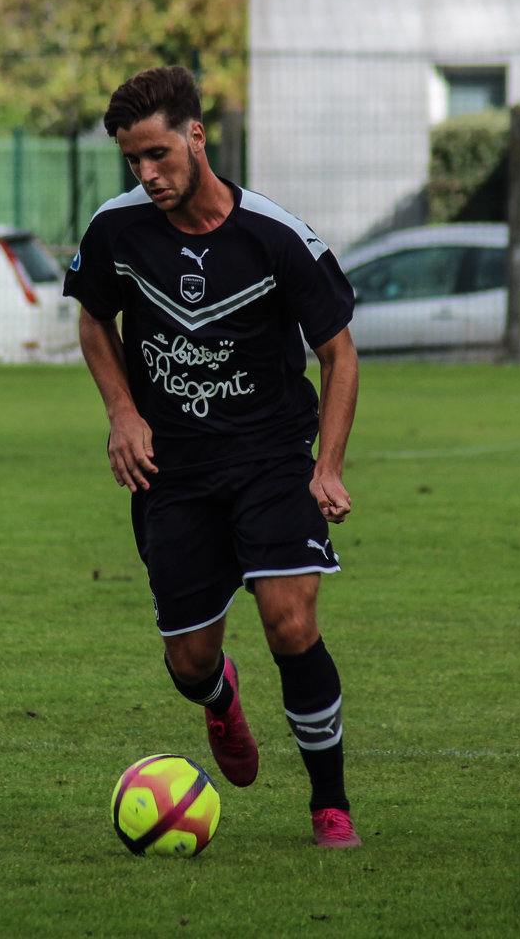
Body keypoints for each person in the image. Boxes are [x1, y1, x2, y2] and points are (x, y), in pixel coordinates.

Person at [64, 66, 363, 848]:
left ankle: (329, 804)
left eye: (159, 154)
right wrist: (122, 413)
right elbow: (95, 321)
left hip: (270, 459)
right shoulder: (116, 230)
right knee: (190, 660)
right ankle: (218, 695)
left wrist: (325, 466)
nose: (147, 174)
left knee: (289, 621)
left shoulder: (274, 235)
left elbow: (339, 354)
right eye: (133, 161)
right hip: (174, 473)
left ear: (197, 136)